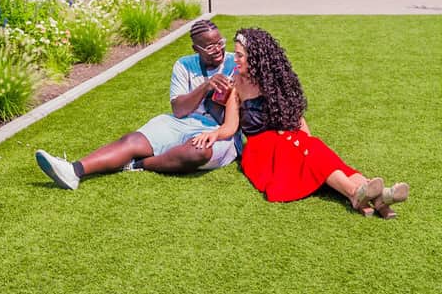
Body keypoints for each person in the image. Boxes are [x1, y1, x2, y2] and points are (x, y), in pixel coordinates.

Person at [190, 27, 409, 219]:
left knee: (313, 148)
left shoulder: (273, 83)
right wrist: (214, 134)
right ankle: (357, 193)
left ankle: (376, 195)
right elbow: (230, 127)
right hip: (261, 152)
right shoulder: (235, 86)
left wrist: (310, 144)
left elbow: (296, 119)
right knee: (300, 147)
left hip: (286, 139)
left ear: (255, 58)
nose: (234, 60)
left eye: (239, 56)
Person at [35, 19, 239, 190]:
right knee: (132, 141)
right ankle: (74, 170)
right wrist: (205, 86)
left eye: (220, 42)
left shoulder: (234, 63)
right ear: (196, 48)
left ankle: (138, 164)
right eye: (210, 46)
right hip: (183, 122)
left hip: (219, 129)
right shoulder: (184, 64)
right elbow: (178, 110)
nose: (218, 49)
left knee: (196, 151)